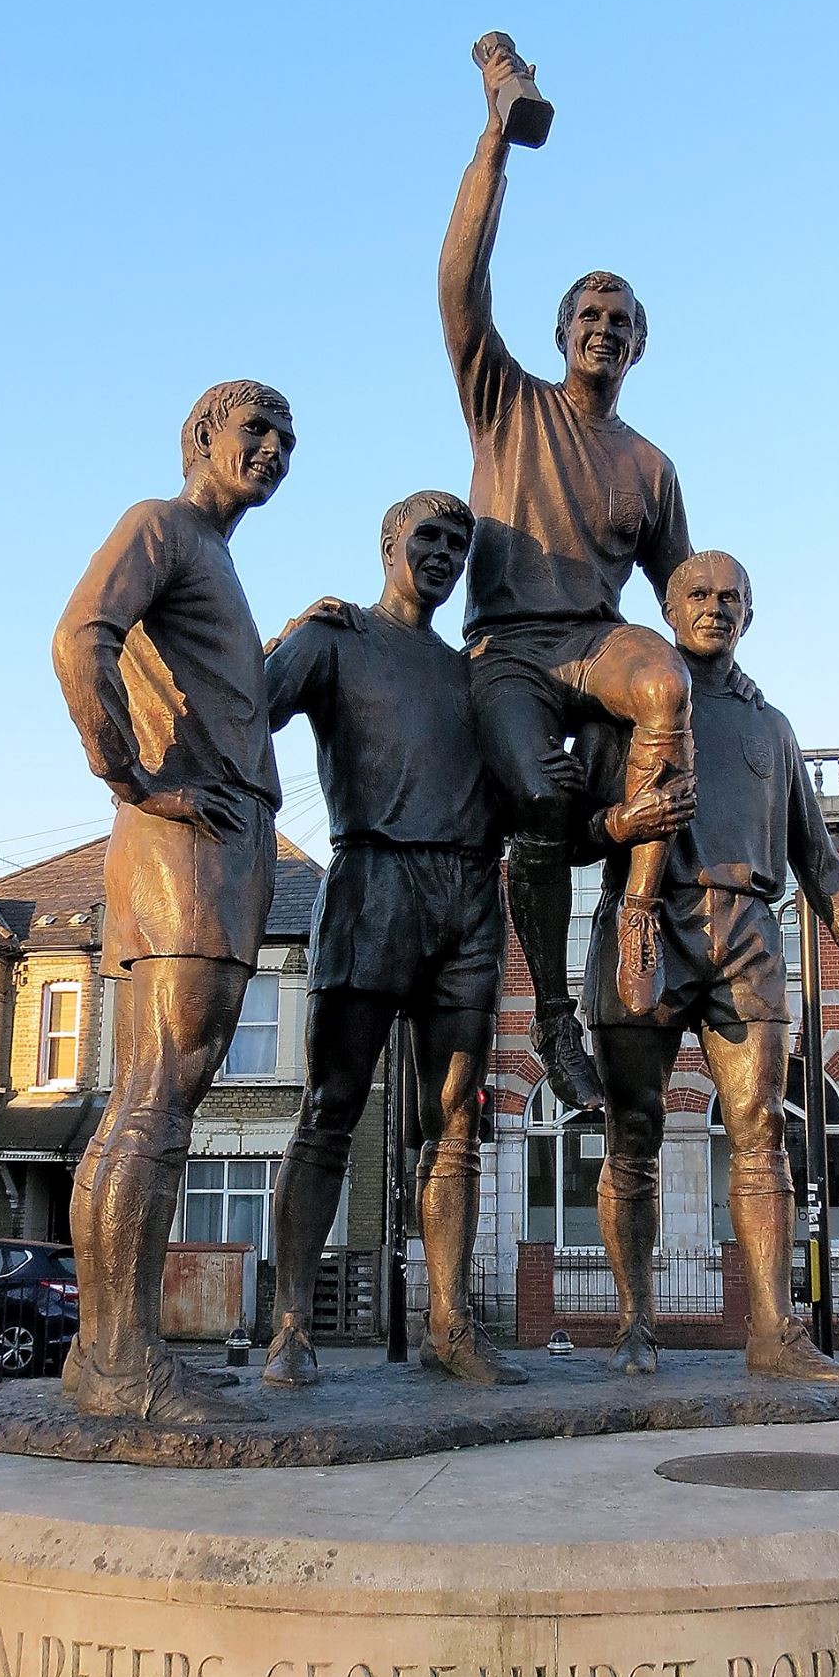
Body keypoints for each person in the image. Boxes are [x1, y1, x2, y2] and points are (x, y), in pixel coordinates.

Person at [439, 34, 709, 1113]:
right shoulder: (505, 400)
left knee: (665, 684)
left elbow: (685, 599)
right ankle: (552, 1013)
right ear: (558, 334)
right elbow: (459, 277)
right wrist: (495, 139)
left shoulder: (648, 463)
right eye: (586, 316)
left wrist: (728, 687)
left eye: (621, 322)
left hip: (592, 645)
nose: (602, 330)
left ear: (639, 346)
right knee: (539, 796)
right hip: (507, 647)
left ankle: (634, 917)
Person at [585, 551, 839, 1380]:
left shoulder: (772, 727)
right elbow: (566, 826)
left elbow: (818, 857)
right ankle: (633, 1323)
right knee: (634, 1134)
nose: (715, 608)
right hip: (646, 923)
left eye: (732, 598)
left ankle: (772, 1332)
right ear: (667, 608)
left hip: (747, 930)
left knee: (761, 1131)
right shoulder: (624, 710)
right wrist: (623, 820)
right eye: (698, 594)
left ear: (749, 617)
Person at [52, 380, 294, 1421]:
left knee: (150, 1100)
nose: (275, 448)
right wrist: (129, 778)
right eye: (256, 429)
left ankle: (106, 1354)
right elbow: (79, 637)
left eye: (287, 438)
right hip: (188, 840)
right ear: (201, 434)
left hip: (214, 839)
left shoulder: (214, 558)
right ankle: (118, 1361)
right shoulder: (163, 526)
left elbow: (226, 694)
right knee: (156, 1103)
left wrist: (288, 638)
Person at [262, 491, 525, 1388]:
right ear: (388, 544)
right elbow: (249, 706)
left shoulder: (473, 673)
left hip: (466, 898)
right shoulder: (337, 638)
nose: (444, 553)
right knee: (330, 1110)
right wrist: (285, 630)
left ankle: (449, 1324)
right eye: (429, 537)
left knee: (455, 1125)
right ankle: (291, 1327)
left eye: (458, 542)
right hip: (373, 882)